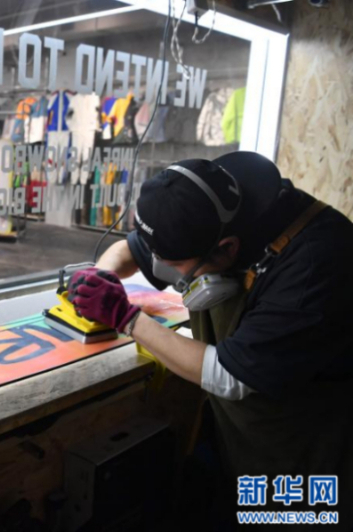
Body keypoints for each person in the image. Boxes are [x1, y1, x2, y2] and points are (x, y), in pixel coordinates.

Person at [70, 152, 352, 525]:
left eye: (175, 266)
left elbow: (231, 376)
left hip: (309, 465)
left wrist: (126, 318)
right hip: (244, 449)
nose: (163, 270)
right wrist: (101, 276)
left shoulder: (315, 265)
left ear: (228, 249)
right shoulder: (209, 204)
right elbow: (129, 250)